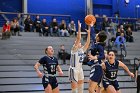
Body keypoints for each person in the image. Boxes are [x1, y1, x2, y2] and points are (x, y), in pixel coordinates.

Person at [69, 20, 90, 93]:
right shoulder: (74, 49)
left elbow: (87, 43)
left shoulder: (82, 50)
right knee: (74, 90)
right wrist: (79, 27)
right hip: (73, 69)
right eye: (76, 42)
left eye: (79, 42)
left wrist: (89, 33)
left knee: (81, 89)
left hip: (80, 69)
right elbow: (78, 38)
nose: (78, 42)